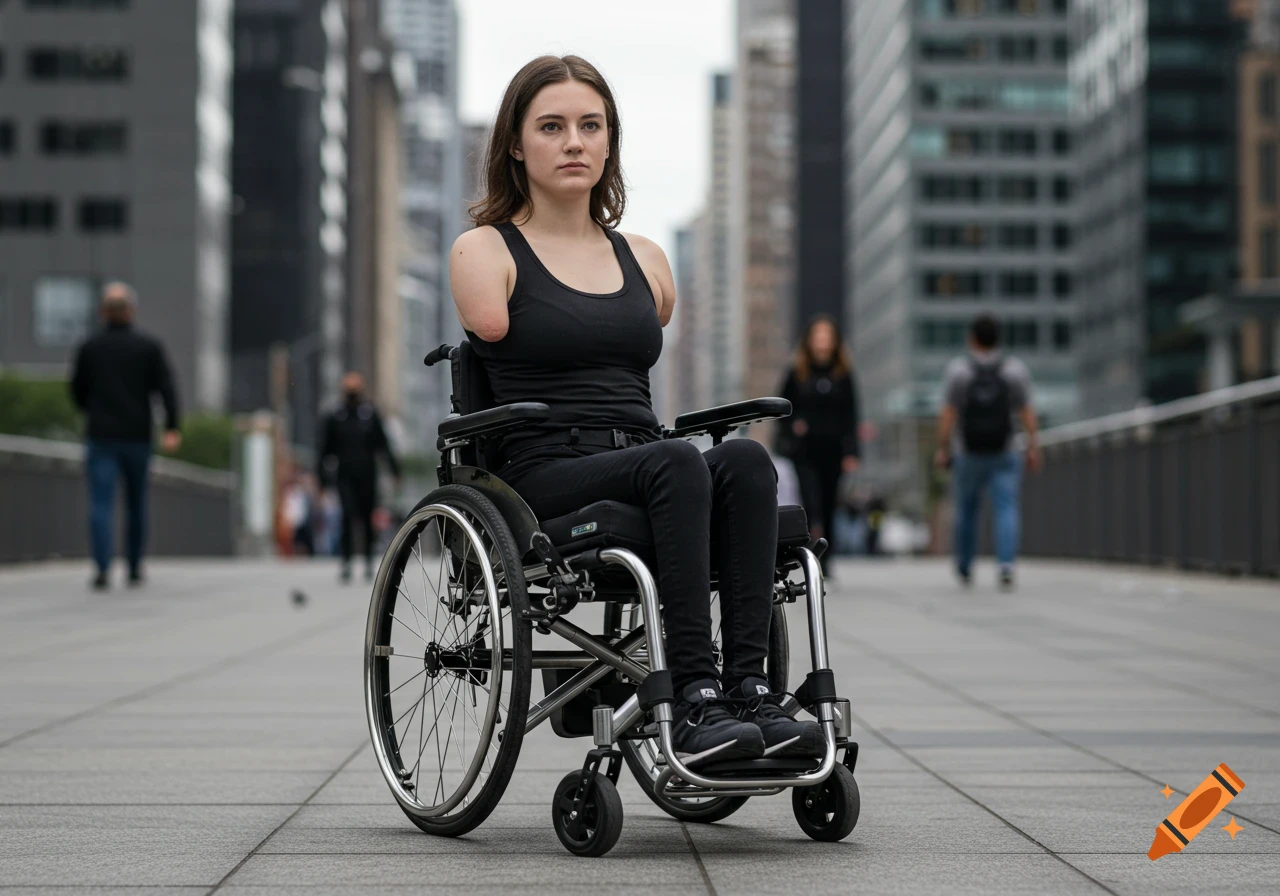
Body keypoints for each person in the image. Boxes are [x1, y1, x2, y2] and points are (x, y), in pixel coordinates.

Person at [449, 55, 822, 766]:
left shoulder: (645, 258)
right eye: (552, 126)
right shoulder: (485, 251)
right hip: (545, 473)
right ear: (516, 146)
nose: (574, 142)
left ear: (610, 141)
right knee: (677, 460)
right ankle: (693, 697)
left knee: (743, 457)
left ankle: (750, 692)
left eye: (591, 126)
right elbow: (487, 328)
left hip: (643, 459)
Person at [69, 282, 182, 590]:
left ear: (102, 312)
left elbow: (77, 390)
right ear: (132, 311)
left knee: (101, 503)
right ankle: (133, 565)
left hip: (102, 434)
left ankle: (102, 566)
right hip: (137, 435)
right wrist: (172, 427)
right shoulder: (148, 347)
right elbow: (166, 388)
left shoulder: (90, 347)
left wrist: (92, 409)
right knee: (136, 502)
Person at [934, 314, 1042, 590]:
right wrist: (1032, 445)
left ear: (972, 339)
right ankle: (1006, 564)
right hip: (1005, 450)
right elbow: (1026, 411)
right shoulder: (1014, 369)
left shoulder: (959, 370)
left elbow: (948, 413)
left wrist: (943, 447)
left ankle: (965, 566)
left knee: (966, 510)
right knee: (1006, 507)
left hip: (967, 451)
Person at [777, 314, 861, 574]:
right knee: (809, 502)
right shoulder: (797, 373)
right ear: (809, 341)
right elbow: (782, 409)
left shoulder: (843, 375)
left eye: (827, 338)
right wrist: (794, 427)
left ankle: (828, 556)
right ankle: (807, 550)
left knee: (828, 503)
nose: (822, 343)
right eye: (818, 337)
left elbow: (851, 414)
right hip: (804, 451)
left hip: (833, 450)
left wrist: (852, 452)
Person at [317, 372, 400, 583]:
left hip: (367, 475)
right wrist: (322, 481)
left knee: (366, 517)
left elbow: (383, 445)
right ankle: (346, 562)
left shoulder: (370, 414)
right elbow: (324, 450)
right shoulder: (335, 416)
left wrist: (394, 471)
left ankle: (368, 562)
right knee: (346, 515)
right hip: (344, 476)